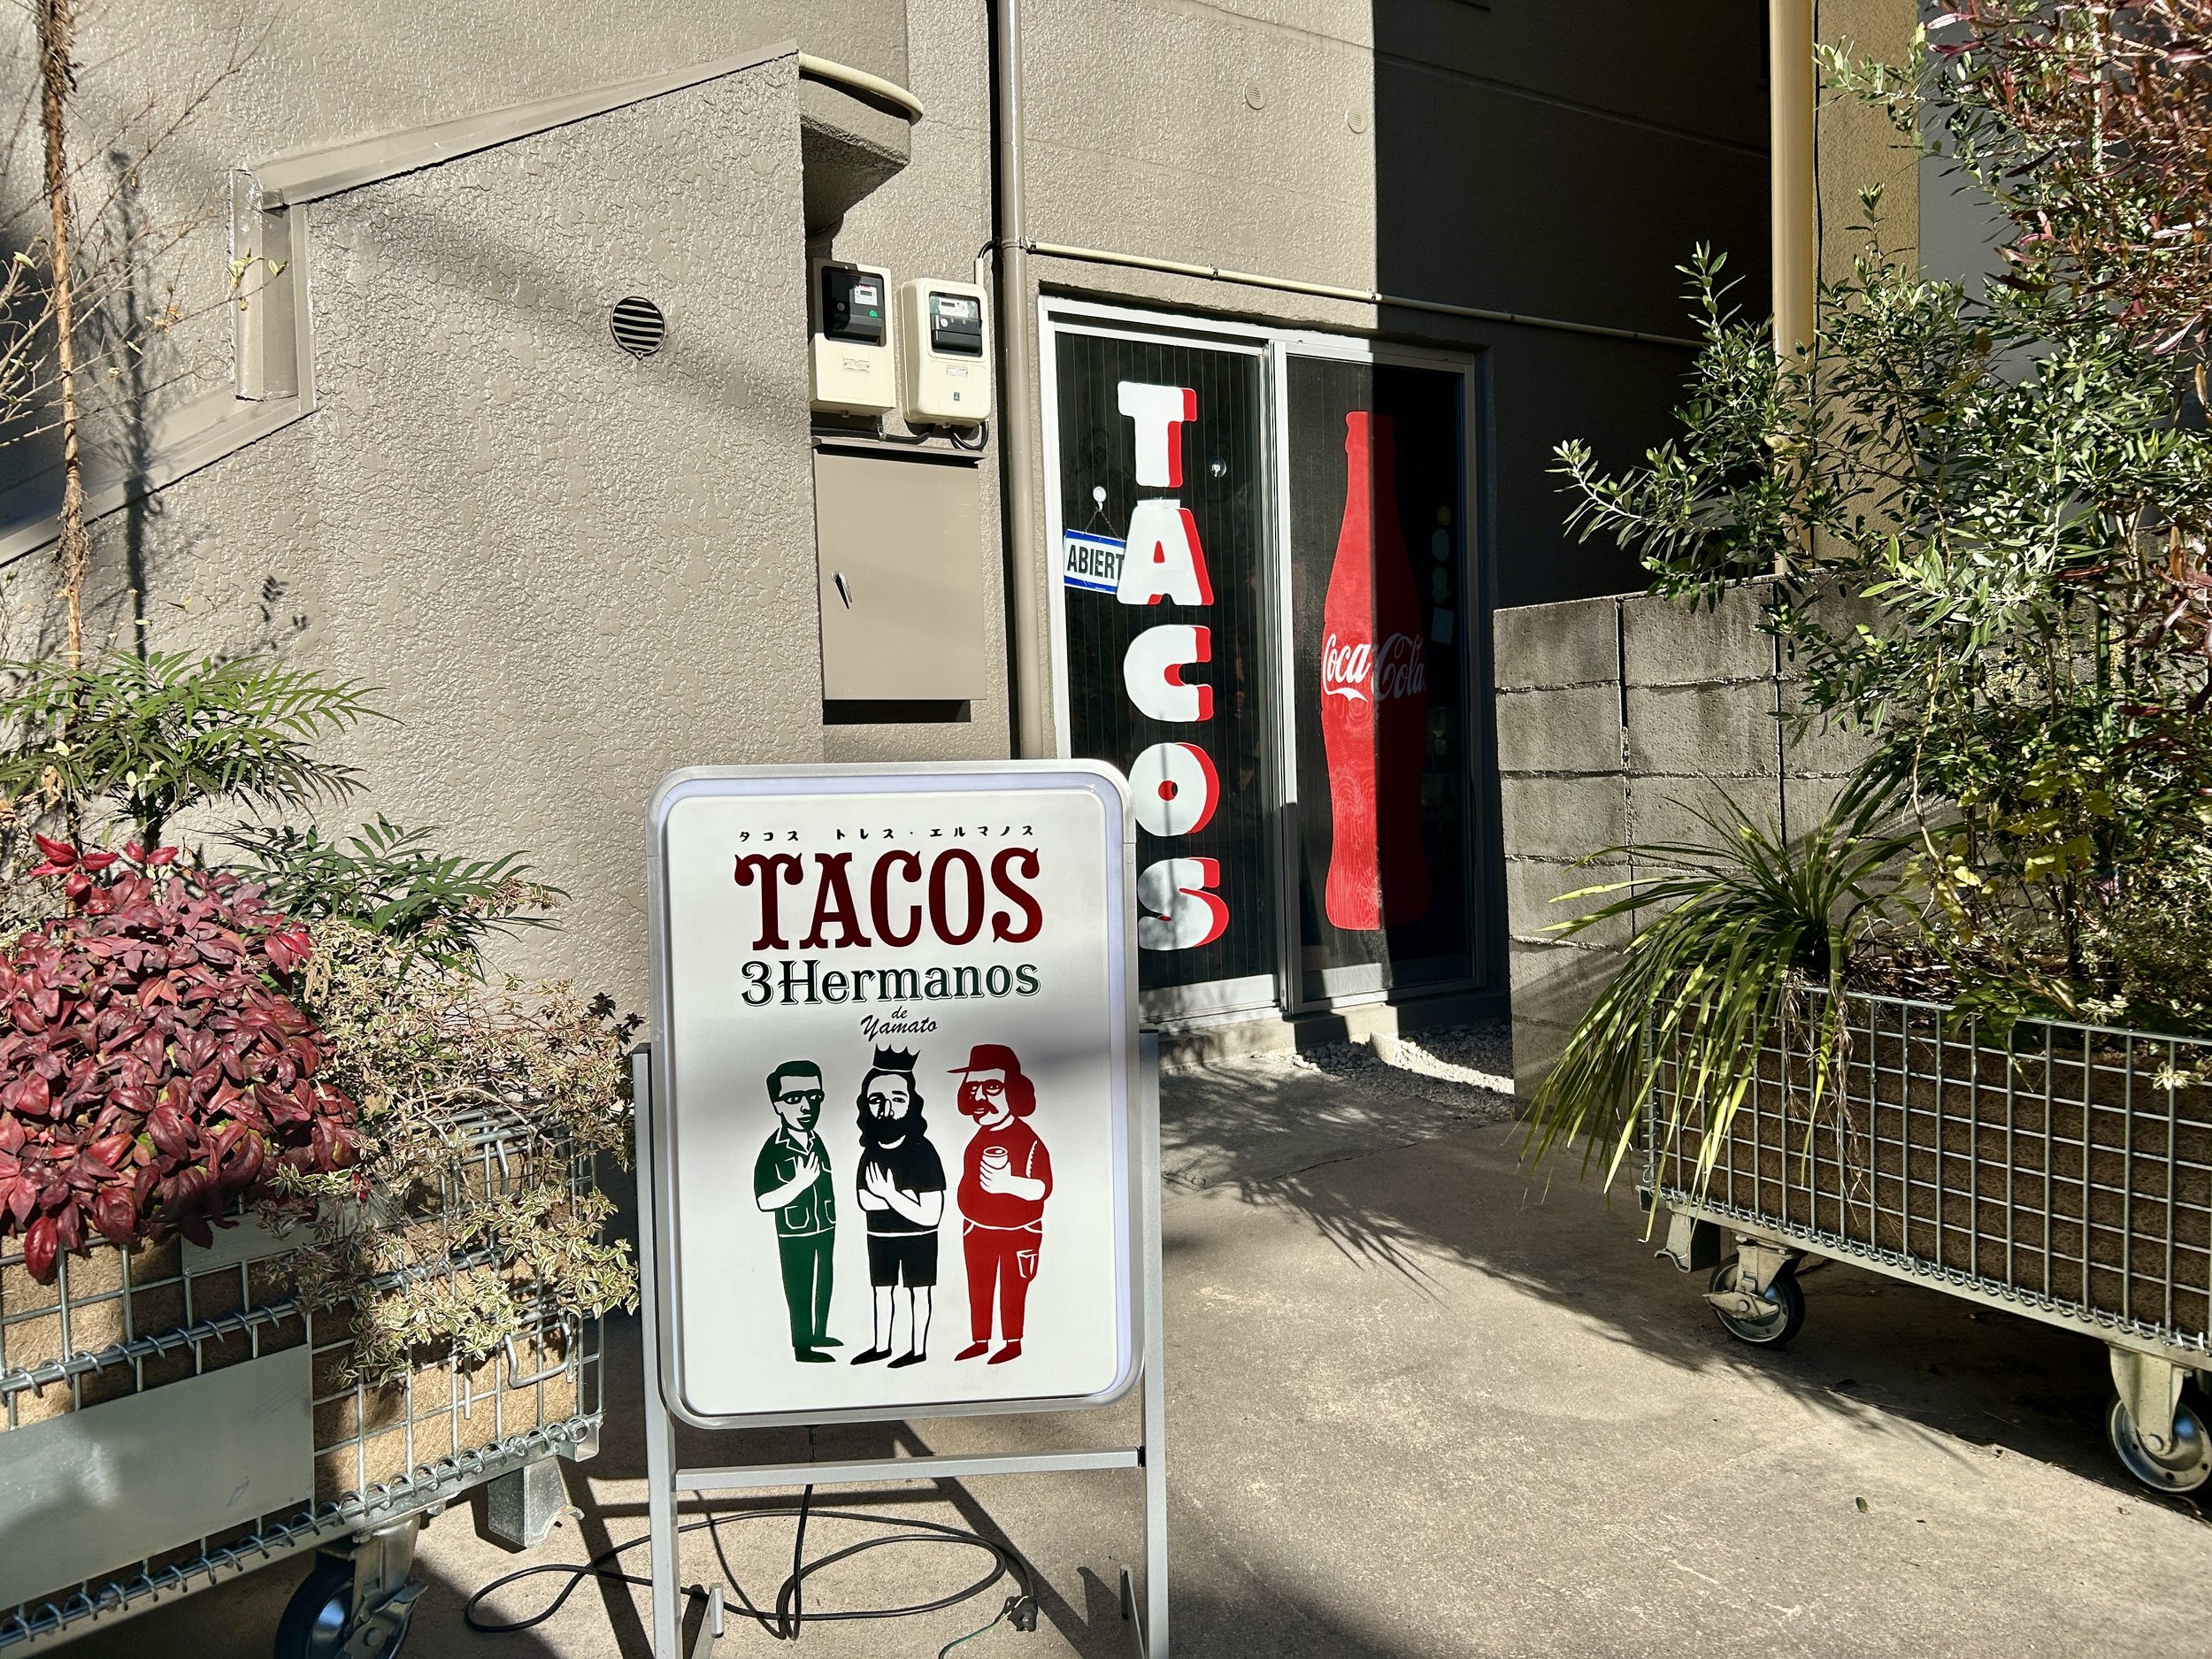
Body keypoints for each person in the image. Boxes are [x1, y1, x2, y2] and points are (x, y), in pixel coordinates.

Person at [950, 1043, 1052, 1365]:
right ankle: (980, 1340)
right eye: (974, 1088)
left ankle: (1012, 1342)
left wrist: (1009, 1184)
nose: (981, 1097)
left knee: (1012, 1289)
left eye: (992, 1087)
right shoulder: (978, 1138)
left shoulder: (1028, 1139)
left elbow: (1043, 1187)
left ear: (1015, 1091)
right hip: (977, 1230)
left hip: (1018, 1233)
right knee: (979, 1287)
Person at [850, 1047, 946, 1369]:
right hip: (879, 1238)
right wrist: (906, 1198)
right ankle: (882, 1346)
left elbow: (931, 1214)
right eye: (876, 1100)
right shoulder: (870, 1152)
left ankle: (917, 1350)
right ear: (866, 1105)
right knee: (882, 1292)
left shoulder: (923, 1152)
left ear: (911, 1103)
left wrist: (890, 1195)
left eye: (897, 1099)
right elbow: (865, 1200)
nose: (886, 1109)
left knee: (919, 1292)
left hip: (920, 1239)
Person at [753, 1059, 840, 1363]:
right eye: (793, 1099)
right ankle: (802, 1347)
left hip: (825, 1225)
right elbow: (764, 1200)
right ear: (777, 1105)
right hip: (795, 1232)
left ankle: (819, 1333)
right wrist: (799, 1184)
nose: (806, 1106)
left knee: (824, 1279)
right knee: (799, 1286)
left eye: (814, 1097)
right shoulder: (774, 1148)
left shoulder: (817, 1141)